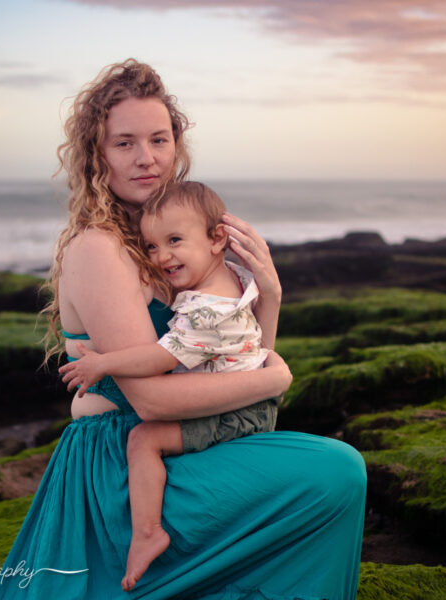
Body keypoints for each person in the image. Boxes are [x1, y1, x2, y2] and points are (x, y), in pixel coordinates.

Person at [0, 59, 367, 600]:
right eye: (125, 143)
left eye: (159, 139)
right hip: (124, 464)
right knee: (336, 470)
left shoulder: (169, 241)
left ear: (177, 144)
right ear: (97, 155)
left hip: (188, 441)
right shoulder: (99, 247)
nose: (147, 159)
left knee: (337, 473)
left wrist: (271, 296)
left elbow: (238, 354)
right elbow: (154, 402)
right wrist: (274, 381)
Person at [58, 181, 280, 591]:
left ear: (217, 238)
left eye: (173, 241)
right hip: (236, 403)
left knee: (144, 441)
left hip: (233, 412)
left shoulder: (204, 310)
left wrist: (104, 363)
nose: (161, 257)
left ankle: (148, 532)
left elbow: (161, 358)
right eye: (152, 248)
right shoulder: (227, 277)